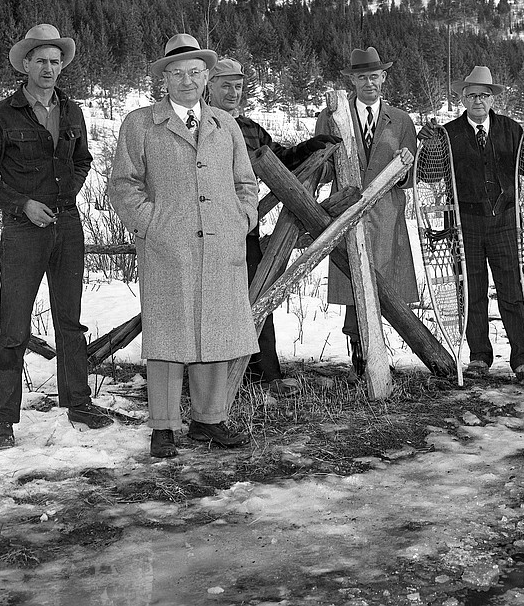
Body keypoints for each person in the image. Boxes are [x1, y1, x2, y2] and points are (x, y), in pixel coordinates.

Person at [108, 34, 259, 459]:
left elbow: (245, 184)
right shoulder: (140, 124)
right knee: (168, 334)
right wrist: (152, 225)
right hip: (167, 246)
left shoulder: (225, 125)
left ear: (207, 77)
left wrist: (241, 220)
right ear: (164, 79)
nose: (187, 80)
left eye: (195, 72)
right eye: (177, 73)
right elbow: (123, 186)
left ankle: (210, 421)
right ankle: (164, 425)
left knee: (215, 330)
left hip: (221, 243)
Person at [0, 23, 113, 451]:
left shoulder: (72, 112)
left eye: (56, 62)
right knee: (14, 324)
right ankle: (3, 420)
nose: (49, 68)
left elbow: (83, 160)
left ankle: (79, 404)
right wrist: (23, 205)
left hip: (67, 226)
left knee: (70, 320)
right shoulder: (1, 115)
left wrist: (69, 193)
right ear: (25, 64)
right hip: (23, 229)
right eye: (41, 61)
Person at [206, 58, 339, 398]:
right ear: (209, 86)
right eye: (225, 85)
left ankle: (265, 374)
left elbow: (280, 159)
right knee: (207, 304)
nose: (233, 92)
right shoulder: (199, 124)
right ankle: (208, 380)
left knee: (256, 296)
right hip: (203, 231)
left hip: (243, 230)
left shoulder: (250, 129)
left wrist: (309, 147)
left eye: (238, 86)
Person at [418, 66, 524, 383]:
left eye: (484, 95)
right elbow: (430, 175)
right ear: (462, 98)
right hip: (464, 223)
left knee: (512, 289)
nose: (478, 100)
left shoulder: (511, 129)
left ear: (493, 98)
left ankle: (523, 360)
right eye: (472, 94)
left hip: (504, 219)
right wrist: (431, 147)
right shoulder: (448, 134)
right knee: (472, 290)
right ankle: (478, 357)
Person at [315, 46, 419, 374]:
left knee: (385, 287)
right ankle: (360, 358)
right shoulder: (332, 115)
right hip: (347, 213)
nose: (369, 83)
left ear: (384, 77)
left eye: (374, 76)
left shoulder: (401, 120)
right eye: (362, 77)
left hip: (387, 216)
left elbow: (410, 178)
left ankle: (379, 354)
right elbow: (322, 168)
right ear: (353, 80)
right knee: (353, 282)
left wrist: (410, 164)